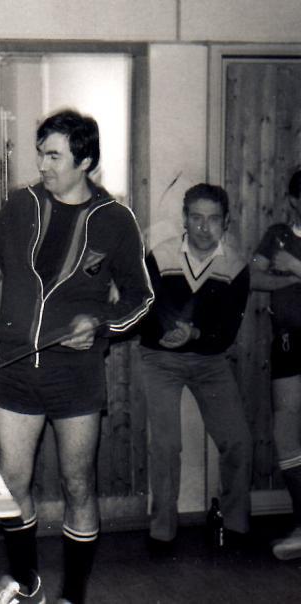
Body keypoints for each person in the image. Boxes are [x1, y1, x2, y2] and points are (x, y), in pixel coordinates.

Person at [0, 110, 153, 604]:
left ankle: (72, 596)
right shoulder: (20, 205)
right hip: (17, 369)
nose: (42, 165)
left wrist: (102, 324)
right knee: (12, 483)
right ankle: (27, 585)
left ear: (84, 161)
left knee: (77, 485)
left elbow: (142, 299)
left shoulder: (115, 220)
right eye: (40, 154)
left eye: (54, 156)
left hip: (77, 375)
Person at [139, 183, 252, 550]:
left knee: (237, 441)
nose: (204, 227)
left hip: (210, 362)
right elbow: (145, 311)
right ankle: (162, 532)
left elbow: (227, 331)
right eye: (197, 218)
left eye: (213, 219)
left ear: (226, 222)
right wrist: (167, 332)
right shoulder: (160, 256)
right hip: (161, 359)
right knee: (166, 445)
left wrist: (195, 333)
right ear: (184, 219)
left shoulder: (236, 266)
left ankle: (235, 526)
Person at [250, 169, 301, 560]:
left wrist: (294, 267)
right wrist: (290, 279)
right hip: (288, 343)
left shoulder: (287, 253)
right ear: (292, 200)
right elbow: (253, 276)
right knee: (285, 432)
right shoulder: (278, 235)